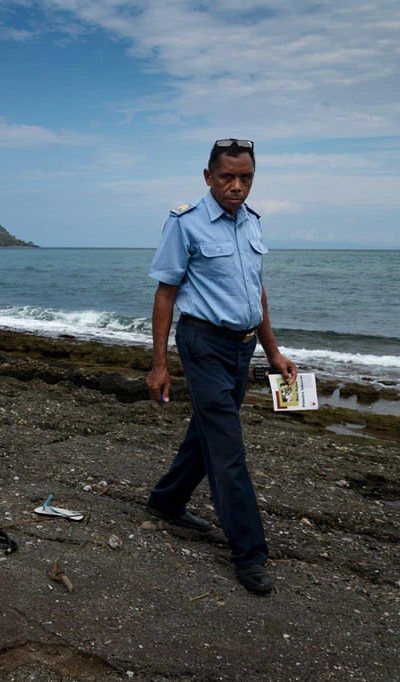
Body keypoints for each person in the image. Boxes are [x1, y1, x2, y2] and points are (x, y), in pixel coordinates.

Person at [144, 138, 296, 595]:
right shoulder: (185, 223)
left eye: (245, 177)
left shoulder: (251, 223)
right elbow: (165, 294)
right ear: (208, 177)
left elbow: (258, 292)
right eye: (227, 177)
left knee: (209, 428)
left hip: (242, 347)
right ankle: (249, 553)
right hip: (203, 342)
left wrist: (273, 351)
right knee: (228, 448)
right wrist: (159, 365)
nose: (237, 186)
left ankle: (166, 501)